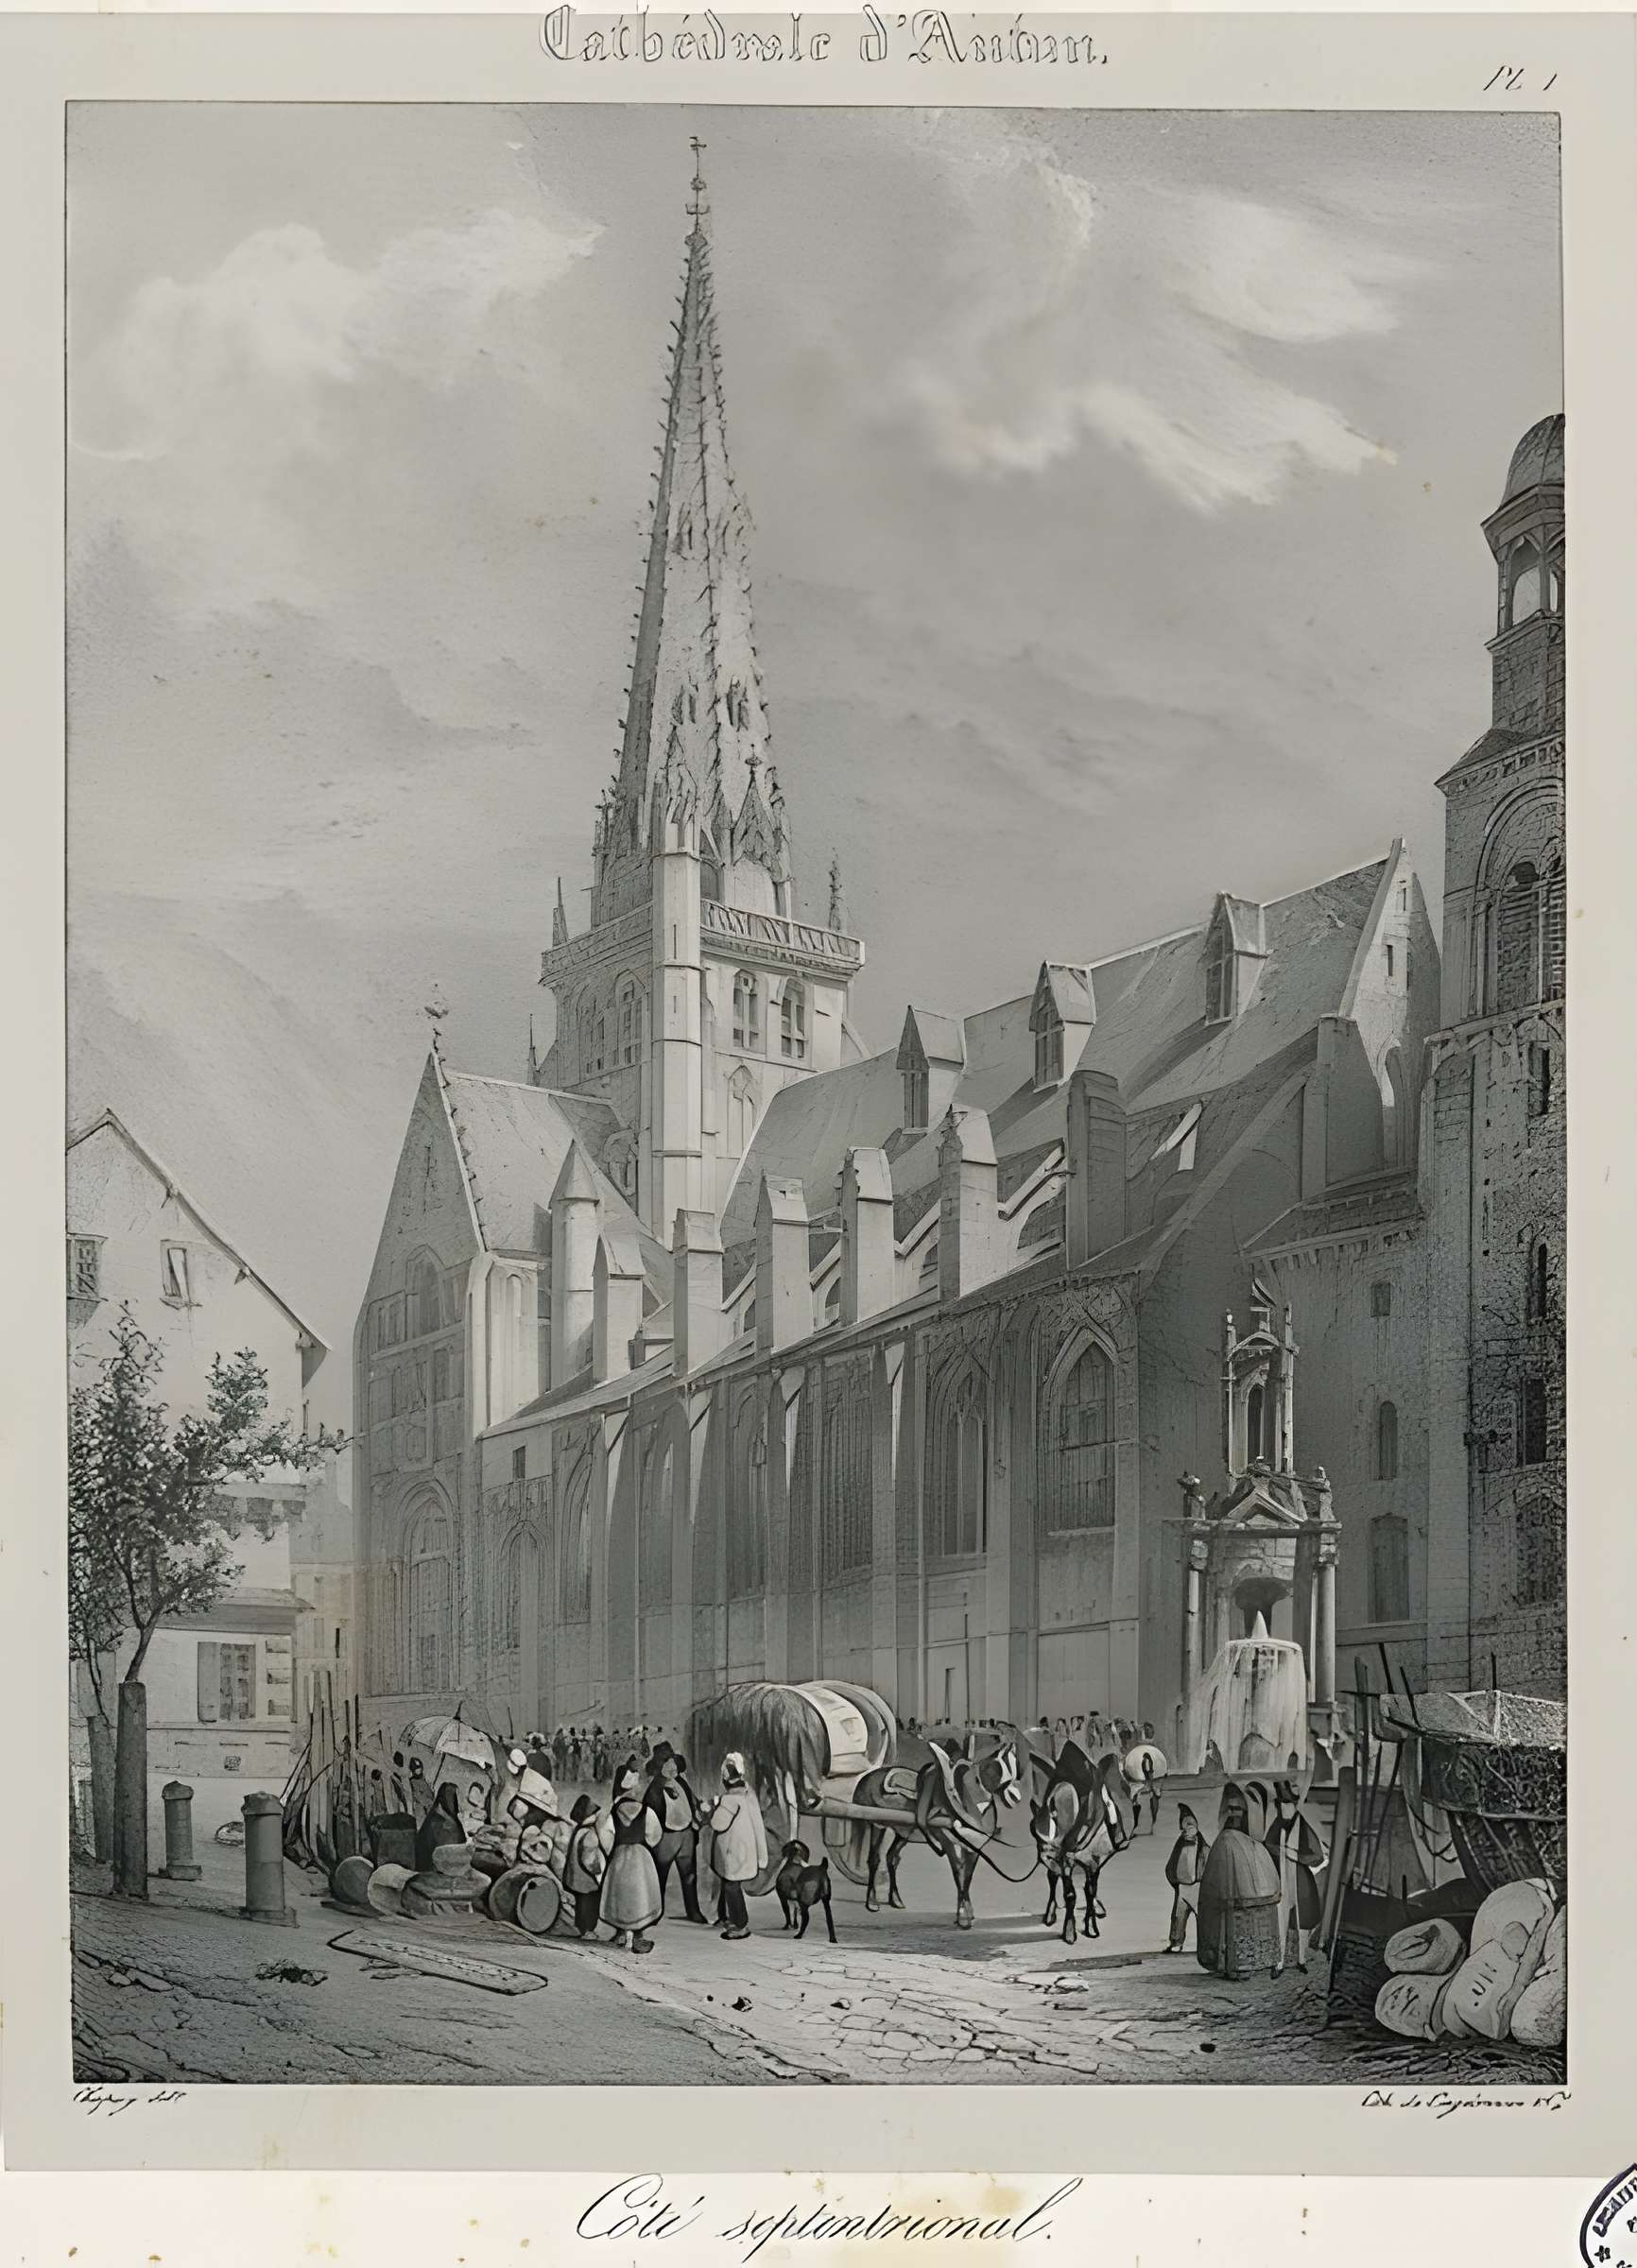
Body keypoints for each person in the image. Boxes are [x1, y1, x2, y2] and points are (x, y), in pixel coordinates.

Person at [1195, 1781, 1283, 1981]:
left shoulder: (1257, 1846)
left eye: (1238, 1809)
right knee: (1231, 1921)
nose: (1234, 1814)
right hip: (1231, 1892)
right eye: (1231, 1809)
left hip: (1249, 1890)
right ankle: (1231, 1965)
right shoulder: (1225, 1840)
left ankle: (1251, 1963)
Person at [1265, 1780, 1325, 1976]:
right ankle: (1279, 1963)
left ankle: (1301, 1959)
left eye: (1289, 1803)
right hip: (1280, 1881)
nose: (1285, 1807)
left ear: (1295, 1804)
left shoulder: (1303, 1827)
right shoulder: (1277, 1826)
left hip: (1300, 1883)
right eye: (1282, 1803)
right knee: (1280, 1923)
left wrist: (1294, 1854)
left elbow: (1318, 1857)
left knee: (1303, 1923)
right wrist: (1277, 1851)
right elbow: (1268, 1846)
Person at [644, 1744, 709, 1924]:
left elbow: (692, 1801)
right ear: (659, 1766)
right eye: (667, 1764)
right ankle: (655, 1911)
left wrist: (699, 1812)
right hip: (667, 1837)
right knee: (660, 1876)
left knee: (690, 1875)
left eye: (673, 1763)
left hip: (687, 1834)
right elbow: (650, 1816)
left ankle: (693, 1911)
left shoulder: (681, 1782)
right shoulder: (655, 1788)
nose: (672, 1767)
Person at [598, 1778, 663, 1953]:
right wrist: (646, 1844)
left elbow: (605, 1836)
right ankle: (638, 1935)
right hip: (641, 1857)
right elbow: (655, 1835)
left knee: (620, 1895)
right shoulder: (647, 1812)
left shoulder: (613, 1813)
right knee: (641, 1897)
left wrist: (612, 1851)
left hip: (619, 1857)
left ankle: (620, 1932)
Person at [709, 1752, 767, 1941]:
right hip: (746, 1850)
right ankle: (727, 1917)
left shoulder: (729, 1801)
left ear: (725, 1779)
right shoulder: (749, 1794)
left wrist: (711, 1808)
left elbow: (718, 1824)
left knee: (732, 1887)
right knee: (730, 1886)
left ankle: (740, 1925)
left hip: (733, 1853)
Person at [1163, 1804, 1210, 1951]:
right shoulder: (1180, 1845)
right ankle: (1176, 1943)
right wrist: (1175, 1882)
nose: (1186, 1830)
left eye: (1189, 1826)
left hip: (1198, 1887)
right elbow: (1171, 1865)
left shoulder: (1204, 1847)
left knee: (1203, 1917)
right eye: (1184, 1827)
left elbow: (1209, 1864)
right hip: (1182, 1887)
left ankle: (1207, 1943)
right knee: (1178, 1916)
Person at [564, 1795, 607, 1937]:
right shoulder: (590, 1834)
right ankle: (588, 1930)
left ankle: (581, 1928)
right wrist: (598, 1873)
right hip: (586, 1880)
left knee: (580, 1905)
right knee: (589, 1905)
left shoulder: (577, 1830)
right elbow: (589, 1859)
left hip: (575, 1877)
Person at [414, 1781, 467, 1872]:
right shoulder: (438, 1823)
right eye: (456, 1798)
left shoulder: (442, 1814)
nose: (459, 1803)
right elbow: (450, 1852)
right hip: (432, 1872)